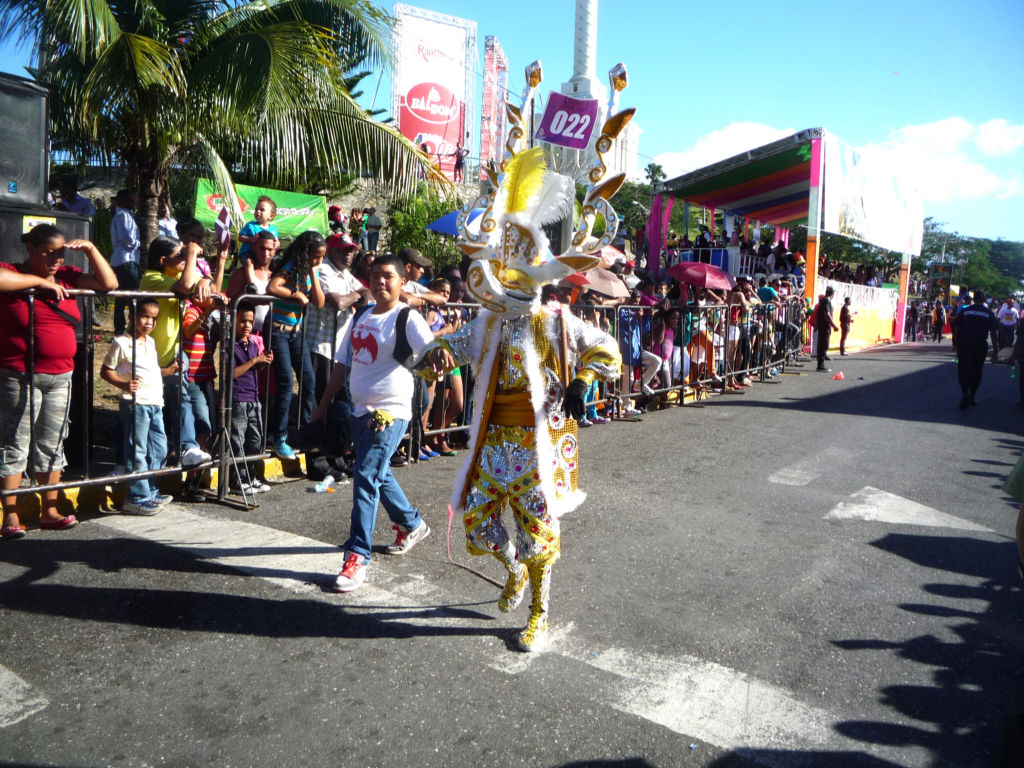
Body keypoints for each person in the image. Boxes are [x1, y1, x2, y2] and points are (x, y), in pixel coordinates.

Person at [311, 254, 437, 593]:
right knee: (377, 473)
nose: (381, 282)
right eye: (376, 276)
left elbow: (432, 350)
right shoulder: (362, 315)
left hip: (391, 411)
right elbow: (342, 364)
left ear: (401, 283)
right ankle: (412, 524)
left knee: (365, 476)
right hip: (360, 410)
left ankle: (357, 557)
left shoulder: (407, 317)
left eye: (389, 277)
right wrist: (323, 405)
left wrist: (440, 360)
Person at [0, 225, 117, 539]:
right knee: (15, 445)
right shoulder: (13, 271)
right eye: (48, 252)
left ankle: (49, 510)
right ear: (32, 249)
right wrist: (39, 283)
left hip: (61, 376)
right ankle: (9, 516)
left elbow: (110, 283)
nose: (55, 259)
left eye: (60, 252)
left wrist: (91, 250)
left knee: (52, 444)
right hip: (19, 375)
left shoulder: (68, 274)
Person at [139, 236, 215, 491]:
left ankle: (187, 447)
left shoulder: (173, 277)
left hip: (173, 353)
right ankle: (134, 469)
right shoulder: (152, 278)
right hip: (151, 357)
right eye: (180, 255)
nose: (186, 259)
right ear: (164, 261)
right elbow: (185, 286)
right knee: (148, 417)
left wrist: (204, 278)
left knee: (181, 401)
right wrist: (193, 253)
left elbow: (195, 285)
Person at [100, 298, 174, 515]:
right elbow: (105, 371)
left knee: (159, 448)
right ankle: (136, 497)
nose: (149, 322)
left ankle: (150, 489)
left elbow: (149, 370)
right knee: (138, 450)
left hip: (155, 402)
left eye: (154, 318)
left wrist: (168, 372)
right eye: (145, 316)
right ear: (132, 316)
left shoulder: (150, 342)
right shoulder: (121, 343)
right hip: (136, 404)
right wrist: (123, 384)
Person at [266, 230, 326, 459]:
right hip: (279, 331)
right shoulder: (291, 266)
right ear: (305, 253)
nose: (319, 261)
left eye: (322, 257)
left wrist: (314, 273)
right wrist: (295, 294)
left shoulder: (311, 272)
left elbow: (318, 302)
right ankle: (278, 437)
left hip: (296, 332)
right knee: (286, 383)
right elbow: (273, 287)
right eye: (316, 257)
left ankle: (304, 432)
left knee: (308, 380)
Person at [307, 233, 365, 402]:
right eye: (343, 251)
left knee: (336, 397)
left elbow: (366, 292)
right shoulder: (324, 269)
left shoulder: (345, 273)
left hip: (338, 347)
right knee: (321, 397)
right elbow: (338, 302)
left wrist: (357, 296)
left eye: (351, 251)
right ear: (330, 251)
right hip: (320, 345)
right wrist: (356, 296)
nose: (348, 255)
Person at [229, 308, 273, 494]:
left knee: (255, 440)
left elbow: (254, 371)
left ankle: (251, 477)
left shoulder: (254, 344)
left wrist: (263, 362)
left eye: (250, 321)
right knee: (238, 441)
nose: (247, 325)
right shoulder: (230, 345)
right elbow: (233, 373)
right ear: (234, 320)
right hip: (239, 398)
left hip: (254, 398)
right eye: (242, 321)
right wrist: (256, 360)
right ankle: (237, 480)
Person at [226, 230, 276, 334]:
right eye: (262, 248)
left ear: (274, 250)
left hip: (272, 336)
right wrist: (253, 301)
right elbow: (230, 303)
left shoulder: (278, 275)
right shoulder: (242, 273)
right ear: (253, 247)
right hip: (246, 337)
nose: (265, 253)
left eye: (269, 249)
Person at [955, 289, 998, 410]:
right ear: (984, 300)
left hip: (965, 344)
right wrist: (995, 349)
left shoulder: (965, 311)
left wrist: (956, 344)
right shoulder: (989, 313)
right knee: (977, 370)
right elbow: (994, 333)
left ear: (973, 300)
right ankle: (972, 395)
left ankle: (965, 392)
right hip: (980, 345)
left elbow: (957, 329)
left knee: (963, 369)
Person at [109, 189, 141, 336]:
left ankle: (119, 327)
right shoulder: (124, 215)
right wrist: (139, 244)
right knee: (135, 292)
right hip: (127, 259)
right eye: (132, 199)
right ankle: (132, 325)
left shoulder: (121, 215)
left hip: (119, 259)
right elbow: (127, 238)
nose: (134, 202)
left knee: (121, 295)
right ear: (124, 200)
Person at [237, 195, 279, 293]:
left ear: (271, 216)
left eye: (262, 210)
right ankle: (251, 284)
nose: (257, 211)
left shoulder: (273, 230)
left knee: (278, 262)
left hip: (265, 256)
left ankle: (274, 282)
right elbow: (240, 237)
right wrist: (250, 239)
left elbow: (276, 241)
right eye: (256, 209)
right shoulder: (250, 226)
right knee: (249, 262)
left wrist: (277, 244)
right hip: (248, 253)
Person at [814, 286, 839, 371]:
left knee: (823, 343)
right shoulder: (826, 301)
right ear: (832, 293)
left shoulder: (824, 300)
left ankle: (821, 363)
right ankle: (820, 365)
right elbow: (826, 314)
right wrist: (834, 325)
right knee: (824, 344)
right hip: (825, 326)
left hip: (823, 325)